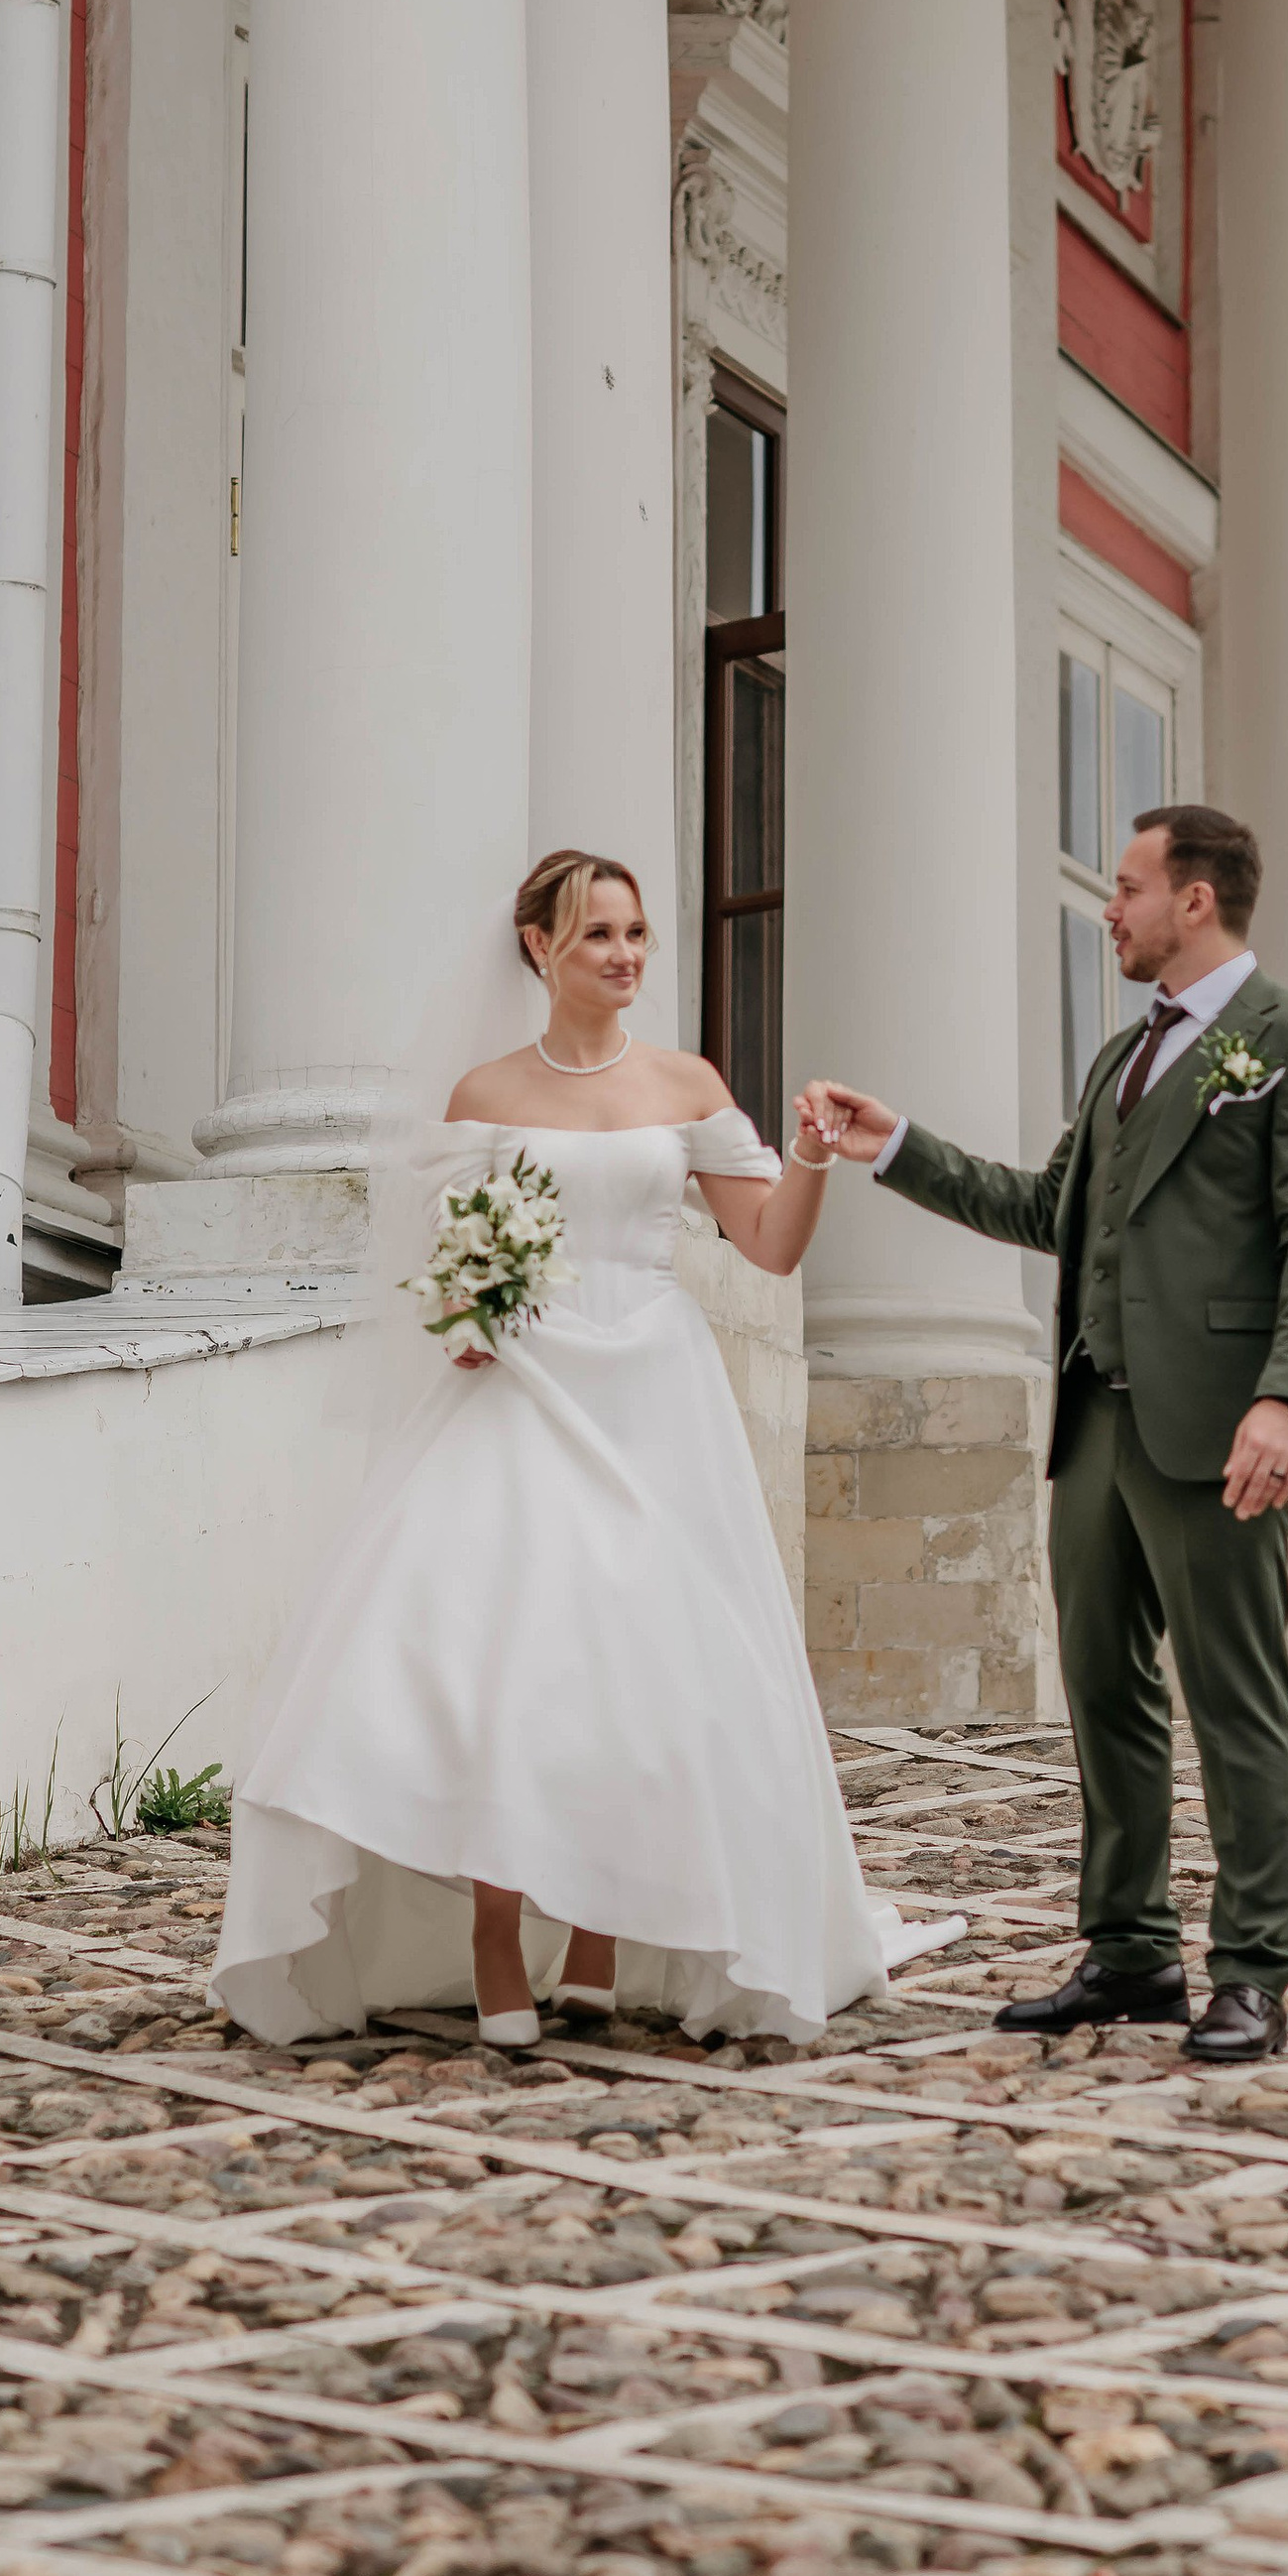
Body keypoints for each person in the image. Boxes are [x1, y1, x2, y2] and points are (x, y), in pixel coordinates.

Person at [213, 848, 917, 2051]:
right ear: (540, 948)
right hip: (523, 1385)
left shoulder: (685, 1081)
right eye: (598, 934)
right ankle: (497, 1935)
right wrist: (469, 1318)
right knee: (509, 1661)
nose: (627, 954)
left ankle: (600, 1929)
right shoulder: (484, 1095)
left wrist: (807, 1159)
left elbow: (770, 1248)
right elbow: (436, 1264)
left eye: (636, 932)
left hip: (652, 1385)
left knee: (641, 1664)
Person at [803, 803, 1288, 2067]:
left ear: (1196, 900)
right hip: (1099, 1417)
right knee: (1104, 1687)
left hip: (1221, 1421)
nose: (1107, 909)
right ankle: (1128, 1951)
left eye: (1125, 888)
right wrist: (887, 1145)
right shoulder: (1123, 1058)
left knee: (1236, 1697)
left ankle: (1253, 1972)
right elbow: (1050, 1207)